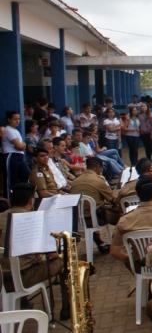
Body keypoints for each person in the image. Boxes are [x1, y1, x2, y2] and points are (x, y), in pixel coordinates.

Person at [0, 183, 69, 319]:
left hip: (2, 278)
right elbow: (48, 253)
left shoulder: (1, 216)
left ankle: (23, 301)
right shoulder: (33, 220)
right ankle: (67, 308)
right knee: (64, 259)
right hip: (23, 277)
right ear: (31, 201)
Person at [110, 175, 152, 262]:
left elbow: (114, 251)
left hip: (140, 266)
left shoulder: (125, 220)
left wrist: (134, 263)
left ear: (137, 193)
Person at [69, 157, 119, 251]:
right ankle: (118, 242)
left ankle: (100, 242)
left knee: (94, 208)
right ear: (97, 167)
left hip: (78, 221)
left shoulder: (75, 181)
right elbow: (112, 199)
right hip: (94, 219)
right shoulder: (98, 180)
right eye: (102, 168)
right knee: (123, 212)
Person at [2, 111, 29, 198]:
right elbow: (20, 146)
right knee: (10, 180)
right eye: (15, 119)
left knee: (26, 175)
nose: (17, 121)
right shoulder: (8, 130)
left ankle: (21, 199)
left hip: (19, 156)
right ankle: (9, 201)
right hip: (11, 156)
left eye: (19, 119)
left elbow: (21, 146)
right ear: (9, 119)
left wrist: (22, 145)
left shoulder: (16, 130)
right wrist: (23, 145)